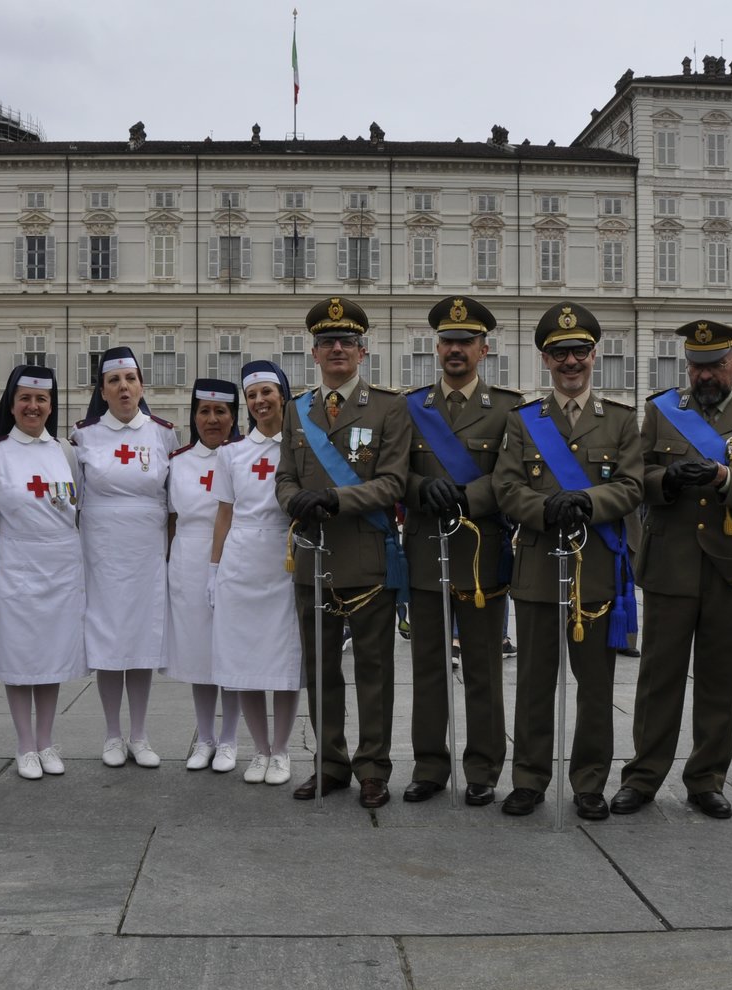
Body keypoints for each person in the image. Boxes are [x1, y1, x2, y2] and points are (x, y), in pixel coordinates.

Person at [610, 320, 732, 820]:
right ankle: (642, 777)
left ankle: (707, 779)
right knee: (657, 680)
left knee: (718, 681)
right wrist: (665, 479)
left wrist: (725, 476)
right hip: (670, 564)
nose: (704, 376)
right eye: (696, 367)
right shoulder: (662, 411)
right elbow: (635, 475)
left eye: (714, 366)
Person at [492, 302, 643, 818]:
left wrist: (588, 502)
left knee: (596, 687)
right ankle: (530, 779)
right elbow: (506, 487)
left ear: (594, 355)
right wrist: (544, 507)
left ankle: (589, 782)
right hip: (536, 565)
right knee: (534, 682)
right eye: (560, 353)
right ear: (546, 359)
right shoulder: (523, 421)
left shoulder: (620, 421)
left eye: (579, 351)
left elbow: (631, 485)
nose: (570, 361)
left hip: (596, 567)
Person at [276, 296, 412, 809]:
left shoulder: (387, 407)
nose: (337, 349)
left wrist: (334, 498)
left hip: (367, 555)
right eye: (328, 342)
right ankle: (329, 764)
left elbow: (393, 482)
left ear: (363, 351)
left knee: (375, 670)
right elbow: (284, 477)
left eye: (347, 342)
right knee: (320, 669)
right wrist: (294, 500)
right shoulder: (298, 409)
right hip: (313, 558)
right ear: (314, 353)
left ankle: (373, 768)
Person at [401, 295, 520, 807]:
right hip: (426, 549)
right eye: (448, 341)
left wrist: (468, 497)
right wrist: (416, 488)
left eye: (465, 342)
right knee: (428, 665)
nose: (456, 350)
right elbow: (390, 472)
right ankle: (429, 765)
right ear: (437, 347)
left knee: (482, 667)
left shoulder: (510, 409)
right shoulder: (410, 409)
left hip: (480, 552)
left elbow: (514, 477)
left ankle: (483, 768)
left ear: (483, 349)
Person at [0, 364, 87, 780]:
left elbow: (75, 510)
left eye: (41, 399)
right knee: (20, 657)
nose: (33, 406)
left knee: (53, 655)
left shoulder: (66, 451)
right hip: (16, 563)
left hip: (60, 566)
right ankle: (24, 744)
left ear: (51, 405)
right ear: (12, 403)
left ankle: (47, 739)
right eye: (25, 398)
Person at [72, 347, 181, 768]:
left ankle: (140, 733)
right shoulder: (84, 436)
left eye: (130, 380)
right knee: (108, 639)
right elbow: (75, 501)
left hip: (146, 550)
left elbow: (173, 503)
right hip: (102, 549)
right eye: (114, 381)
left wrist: (170, 554)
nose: (123, 388)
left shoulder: (162, 434)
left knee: (141, 640)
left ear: (141, 386)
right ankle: (112, 734)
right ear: (102, 389)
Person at [211, 360, 302, 785]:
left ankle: (282, 752)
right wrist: (214, 572)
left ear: (282, 394)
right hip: (241, 561)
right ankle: (259, 749)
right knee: (244, 661)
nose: (260, 401)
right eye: (252, 395)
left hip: (283, 559)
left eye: (266, 392)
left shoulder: (299, 446)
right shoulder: (231, 454)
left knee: (283, 661)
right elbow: (224, 516)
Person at [164, 378, 243, 772]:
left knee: (228, 651)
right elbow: (170, 520)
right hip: (188, 561)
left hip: (233, 558)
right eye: (204, 411)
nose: (212, 420)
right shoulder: (177, 462)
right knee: (197, 653)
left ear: (233, 417)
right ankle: (204, 738)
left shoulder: (244, 456)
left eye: (221, 412)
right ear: (194, 416)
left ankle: (229, 739)